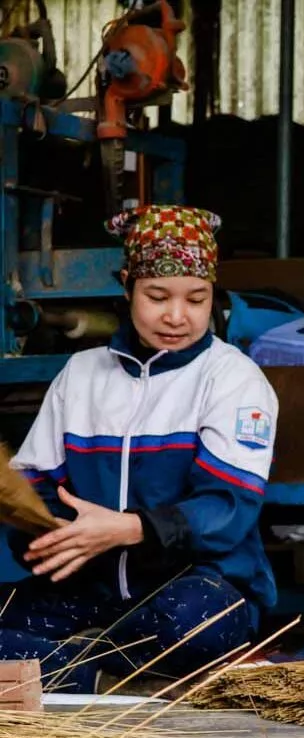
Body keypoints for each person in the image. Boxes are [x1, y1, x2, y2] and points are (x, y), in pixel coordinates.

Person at [2, 205, 279, 693]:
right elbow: (34, 485)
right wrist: (54, 536)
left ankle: (70, 670)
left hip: (199, 587)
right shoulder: (81, 374)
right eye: (157, 296)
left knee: (192, 623)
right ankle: (102, 671)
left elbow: (227, 508)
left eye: (196, 299)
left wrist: (127, 529)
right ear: (127, 284)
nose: (177, 316)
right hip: (94, 592)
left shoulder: (232, 378)